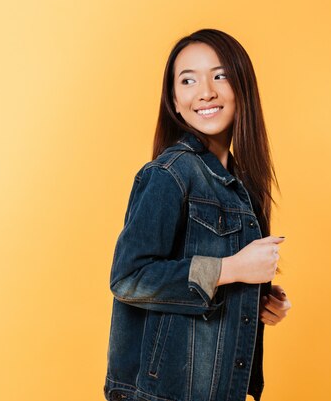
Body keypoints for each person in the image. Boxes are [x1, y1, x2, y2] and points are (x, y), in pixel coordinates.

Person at [103, 28, 292, 401]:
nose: (205, 91)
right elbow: (128, 277)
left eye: (219, 75)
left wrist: (258, 301)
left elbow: (201, 296)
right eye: (188, 80)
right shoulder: (169, 174)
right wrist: (232, 269)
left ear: (243, 87)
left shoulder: (241, 185)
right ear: (174, 100)